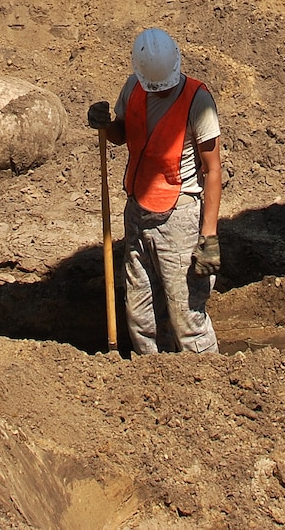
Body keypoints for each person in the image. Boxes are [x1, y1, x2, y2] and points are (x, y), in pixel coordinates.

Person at [86, 28, 223, 354]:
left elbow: (213, 170)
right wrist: (106, 125)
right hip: (137, 213)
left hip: (179, 217)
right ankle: (152, 384)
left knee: (185, 315)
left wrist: (209, 236)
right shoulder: (134, 87)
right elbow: (123, 134)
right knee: (141, 314)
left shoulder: (197, 100)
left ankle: (210, 387)